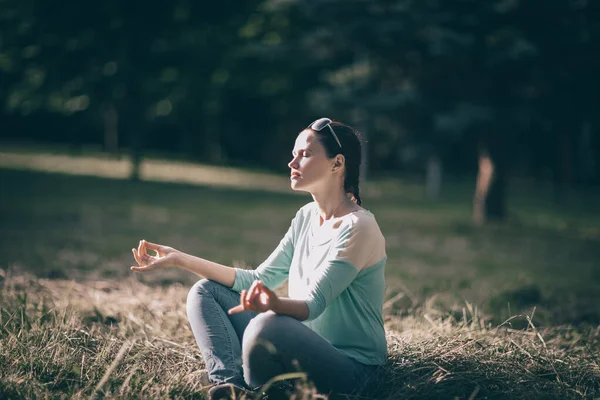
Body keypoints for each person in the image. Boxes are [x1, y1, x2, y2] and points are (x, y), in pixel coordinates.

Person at [130, 118, 387, 399]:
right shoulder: (306, 217)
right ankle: (231, 387)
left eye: (305, 154)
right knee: (206, 292)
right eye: (293, 154)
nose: (292, 163)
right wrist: (180, 259)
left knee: (266, 325)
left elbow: (313, 305)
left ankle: (255, 392)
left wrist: (274, 305)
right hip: (300, 346)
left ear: (337, 163)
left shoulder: (358, 226)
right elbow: (258, 279)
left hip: (355, 372)